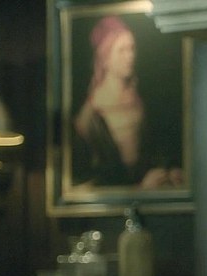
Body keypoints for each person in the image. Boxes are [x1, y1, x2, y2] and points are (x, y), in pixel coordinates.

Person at [72, 15, 183, 189]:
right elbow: (89, 178)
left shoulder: (145, 99)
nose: (130, 56)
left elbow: (158, 151)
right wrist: (140, 188)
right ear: (105, 57)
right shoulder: (91, 111)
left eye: (132, 48)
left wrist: (168, 173)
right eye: (122, 50)